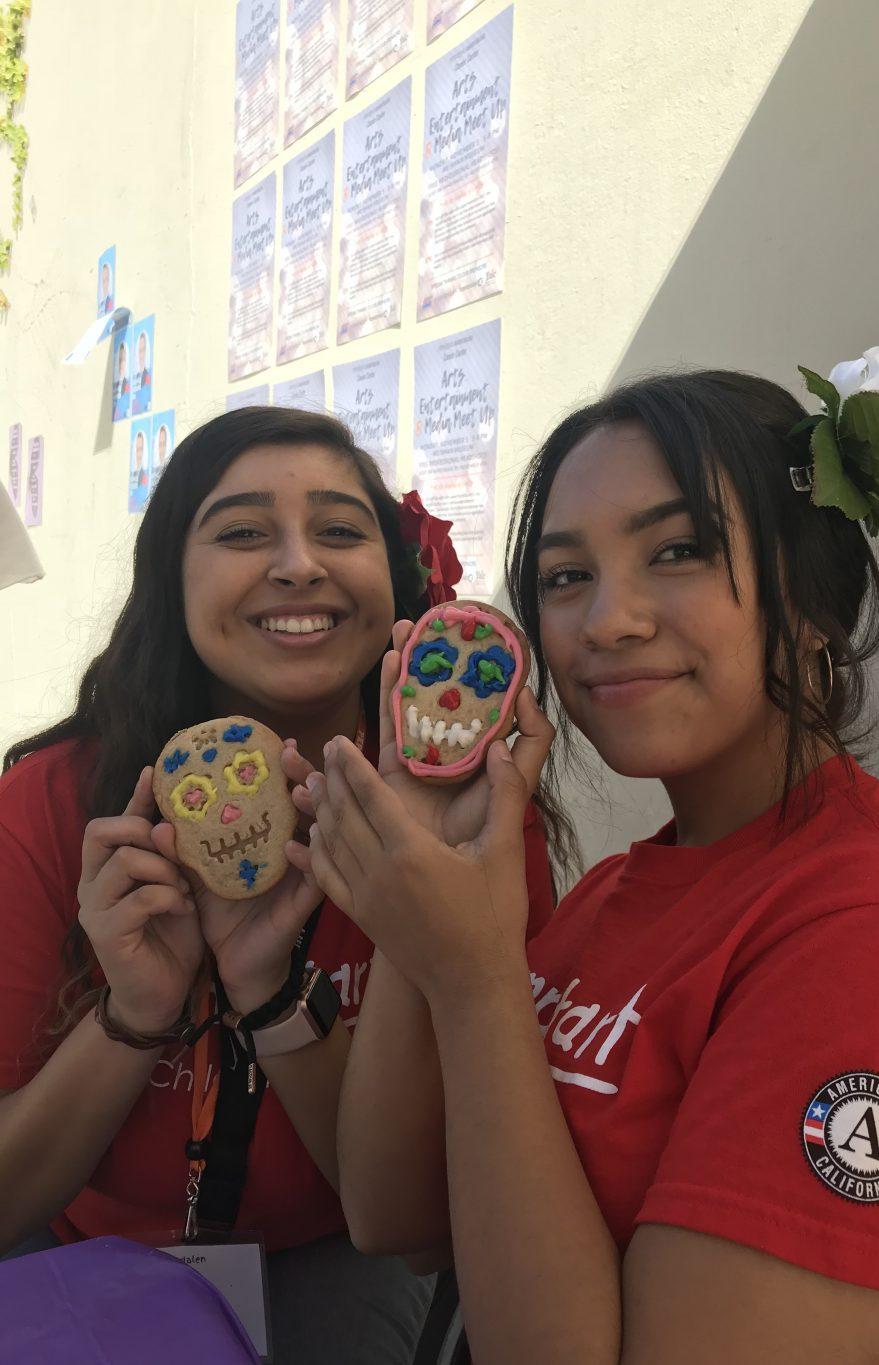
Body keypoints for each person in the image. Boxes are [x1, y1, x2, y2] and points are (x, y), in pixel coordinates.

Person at [304, 359, 879, 1361]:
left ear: (810, 593)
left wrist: (474, 984)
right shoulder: (613, 895)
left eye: (678, 550)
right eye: (565, 577)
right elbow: (398, 1217)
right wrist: (420, 884)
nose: (608, 621)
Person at [0, 406, 561, 1364]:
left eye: (342, 531)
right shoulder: (55, 804)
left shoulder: (474, 821)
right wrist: (135, 1009)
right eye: (243, 531)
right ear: (171, 577)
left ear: (396, 582)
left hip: (334, 1251)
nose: (299, 563)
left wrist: (272, 997)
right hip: (81, 1246)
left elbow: (415, 1213)